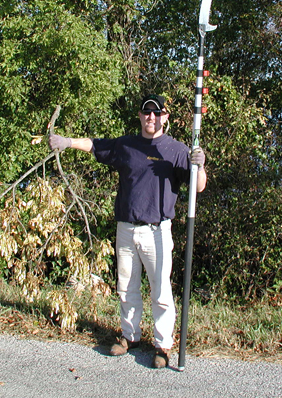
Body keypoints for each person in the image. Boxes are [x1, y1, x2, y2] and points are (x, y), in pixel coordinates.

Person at [48, 94, 207, 368]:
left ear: (165, 117)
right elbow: (96, 146)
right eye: (147, 112)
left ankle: (163, 345)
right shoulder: (127, 145)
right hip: (126, 228)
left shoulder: (177, 150)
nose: (151, 118)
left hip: (157, 230)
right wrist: (67, 142)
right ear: (140, 116)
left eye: (157, 113)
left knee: (161, 292)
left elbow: (199, 187)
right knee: (126, 287)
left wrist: (200, 165)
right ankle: (130, 336)